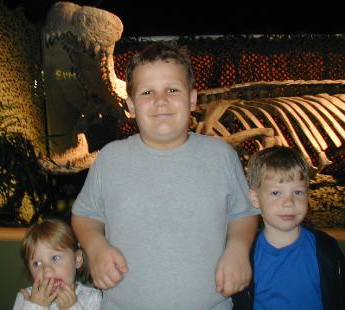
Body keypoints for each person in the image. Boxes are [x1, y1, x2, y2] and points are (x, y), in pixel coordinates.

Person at [71, 41, 259, 310]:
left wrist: (239, 250)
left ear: (192, 99)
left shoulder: (221, 156)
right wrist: (95, 246)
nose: (161, 101)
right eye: (147, 92)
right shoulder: (110, 159)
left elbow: (244, 214)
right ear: (131, 105)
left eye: (172, 89)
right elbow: (85, 215)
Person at [232, 146, 345, 310]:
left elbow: (344, 299)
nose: (289, 202)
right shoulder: (244, 254)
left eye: (298, 192)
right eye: (276, 193)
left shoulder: (326, 248)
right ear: (255, 199)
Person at [13, 218, 102, 310]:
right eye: (37, 263)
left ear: (77, 259)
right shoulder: (25, 298)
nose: (47, 271)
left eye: (55, 258)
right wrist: (35, 306)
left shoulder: (93, 298)